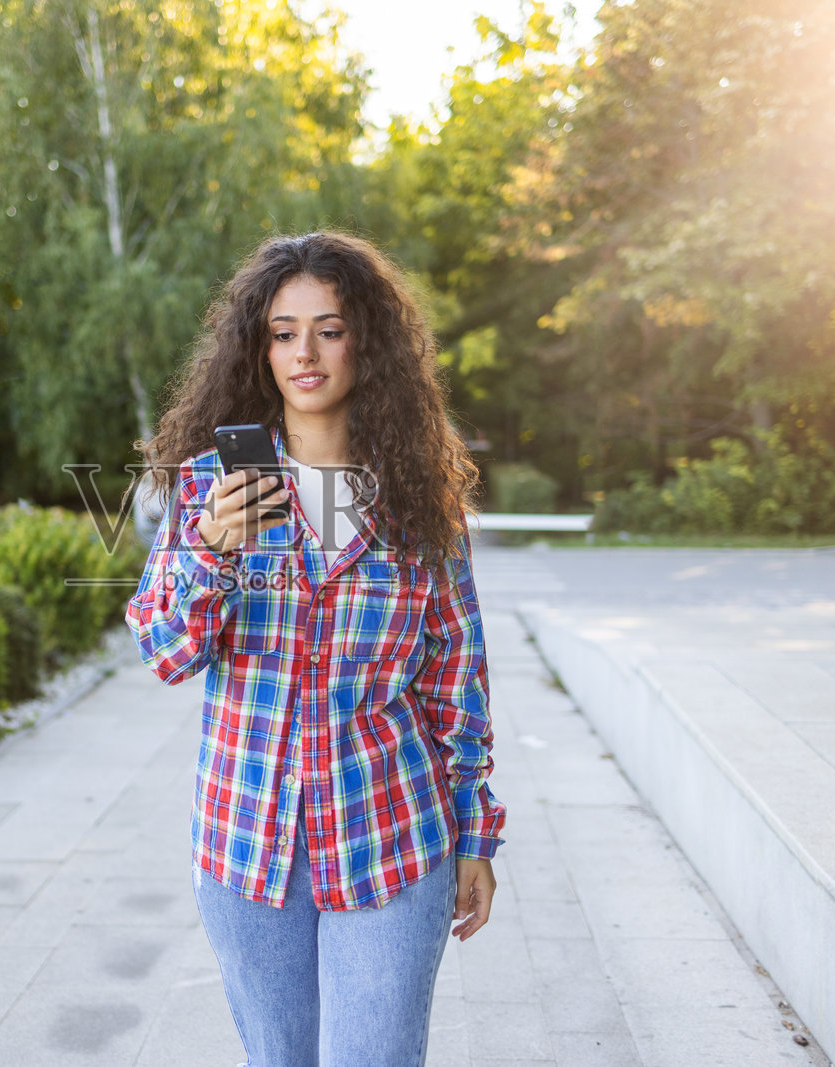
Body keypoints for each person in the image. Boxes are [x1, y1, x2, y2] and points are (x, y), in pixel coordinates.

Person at [125, 231, 506, 1067]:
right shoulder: (210, 489)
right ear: (258, 349)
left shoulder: (418, 501)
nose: (305, 351)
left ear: (364, 342)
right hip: (246, 840)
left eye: (329, 329)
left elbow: (456, 677)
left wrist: (476, 831)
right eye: (283, 330)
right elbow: (164, 649)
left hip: (391, 833)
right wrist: (210, 549)